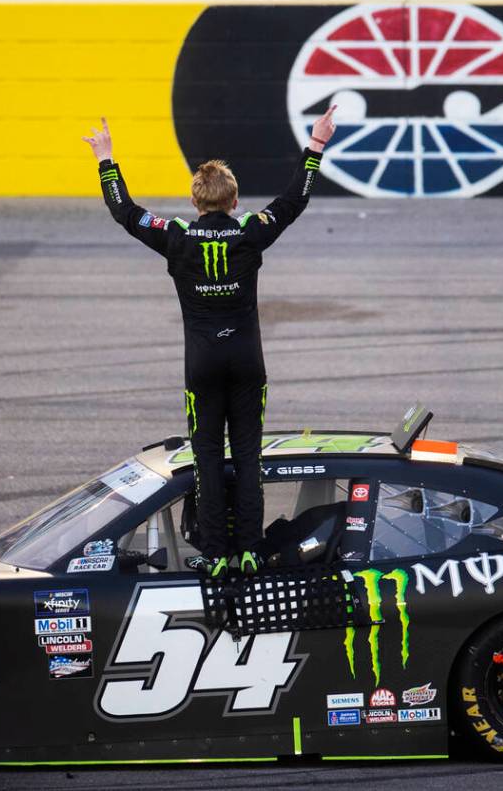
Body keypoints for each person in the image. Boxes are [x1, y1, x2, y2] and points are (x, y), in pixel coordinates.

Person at [82, 108, 338, 577]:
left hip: (202, 365)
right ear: (234, 200)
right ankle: (249, 551)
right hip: (246, 362)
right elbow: (292, 202)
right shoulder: (249, 233)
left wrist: (106, 160)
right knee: (247, 456)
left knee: (206, 457)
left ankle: (217, 555)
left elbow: (125, 213)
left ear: (195, 201)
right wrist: (315, 148)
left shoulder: (177, 238)